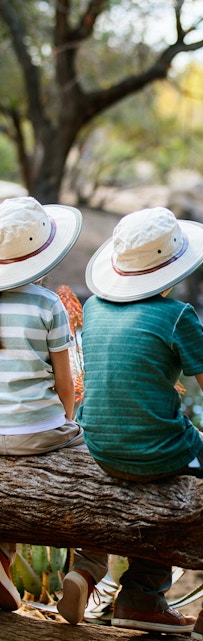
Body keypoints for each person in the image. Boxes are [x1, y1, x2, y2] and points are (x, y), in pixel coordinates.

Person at [77, 206, 203, 641]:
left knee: (157, 482)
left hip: (98, 448)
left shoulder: (93, 307)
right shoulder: (177, 315)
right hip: (158, 450)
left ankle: (141, 600)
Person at [0, 196, 107, 624]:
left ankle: (2, 561)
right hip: (43, 430)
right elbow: (65, 383)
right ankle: (87, 569)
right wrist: (68, 421)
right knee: (101, 478)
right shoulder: (48, 306)